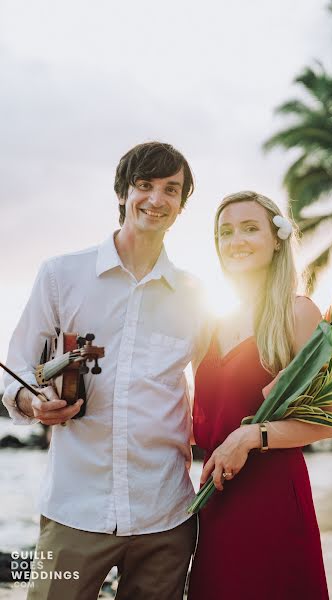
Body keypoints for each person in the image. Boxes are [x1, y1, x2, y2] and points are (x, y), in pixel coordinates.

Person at [2, 141, 209, 600]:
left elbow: (215, 389)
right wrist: (31, 402)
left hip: (166, 515)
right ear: (122, 193)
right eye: (144, 185)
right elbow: (14, 367)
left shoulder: (195, 295)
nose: (156, 199)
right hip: (74, 509)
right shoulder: (60, 275)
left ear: (181, 206)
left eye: (170, 190)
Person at [188, 191, 332, 600]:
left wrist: (252, 436)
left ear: (277, 239)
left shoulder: (298, 313)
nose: (236, 239)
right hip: (215, 504)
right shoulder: (209, 325)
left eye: (250, 228)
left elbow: (328, 419)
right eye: (226, 231)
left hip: (272, 502)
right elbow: (201, 423)